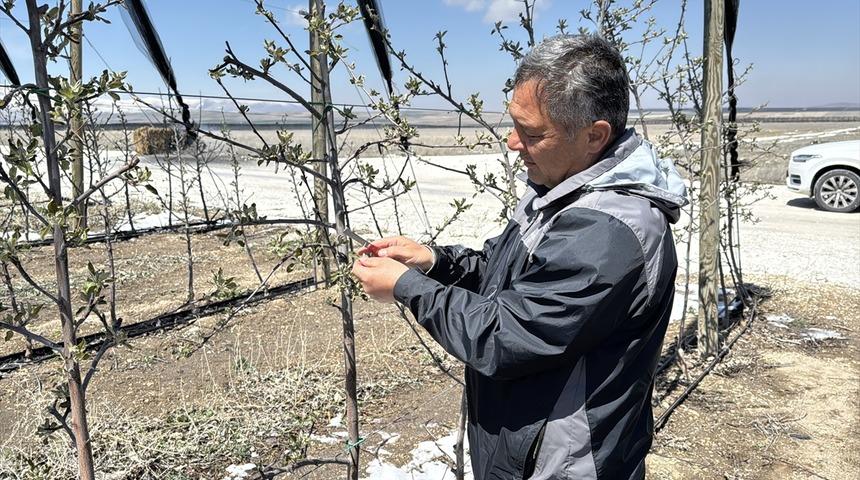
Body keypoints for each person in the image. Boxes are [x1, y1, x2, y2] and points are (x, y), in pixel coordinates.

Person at [352, 33, 687, 480]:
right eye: (514, 125)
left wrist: (406, 287)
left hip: (564, 464)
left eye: (532, 133)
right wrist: (434, 262)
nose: (512, 143)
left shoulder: (608, 232)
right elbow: (507, 273)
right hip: (527, 447)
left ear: (594, 136)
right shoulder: (565, 190)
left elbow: (504, 336)